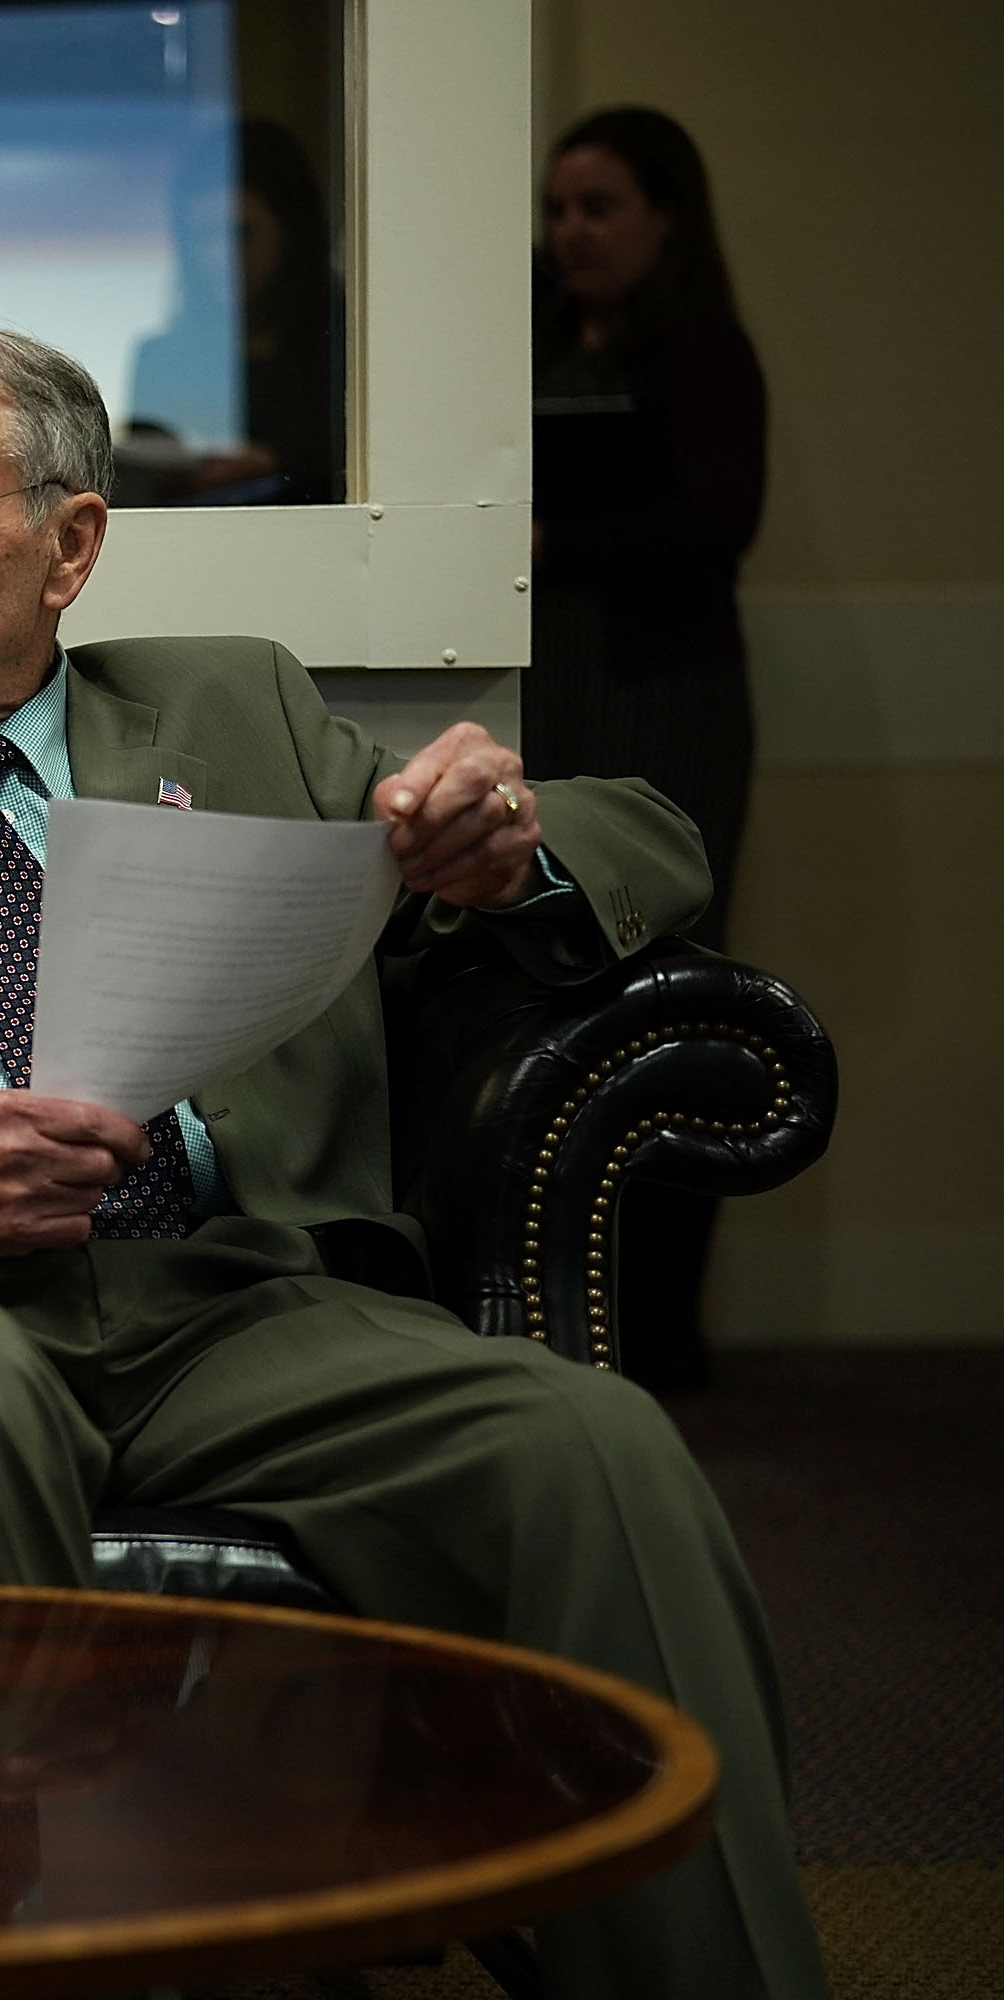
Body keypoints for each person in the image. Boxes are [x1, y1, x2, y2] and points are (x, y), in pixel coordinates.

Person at [0, 325, 827, 1998]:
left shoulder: (234, 705)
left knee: (589, 1442)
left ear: (70, 546)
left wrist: (508, 846)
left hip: (230, 1304)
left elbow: (651, 841)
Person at [529, 107, 766, 1393]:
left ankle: (664, 1334)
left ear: (666, 217)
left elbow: (721, 516)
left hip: (668, 699)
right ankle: (565, 1320)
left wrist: (557, 546)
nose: (570, 233)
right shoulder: (533, 331)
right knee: (555, 995)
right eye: (559, 207)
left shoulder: (702, 350)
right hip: (552, 700)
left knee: (672, 997)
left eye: (600, 207)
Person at [122, 117, 341, 506]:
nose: (217, 256)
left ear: (292, 231)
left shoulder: (348, 351)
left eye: (240, 232)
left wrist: (277, 465)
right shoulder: (163, 359)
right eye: (202, 235)